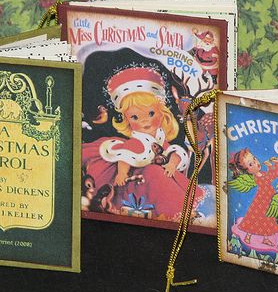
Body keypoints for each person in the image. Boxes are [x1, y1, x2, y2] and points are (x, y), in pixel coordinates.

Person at [82, 67, 205, 221]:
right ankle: (175, 212)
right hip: (138, 183)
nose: (144, 120)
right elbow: (125, 157)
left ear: (162, 113)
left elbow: (173, 152)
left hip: (157, 177)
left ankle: (182, 210)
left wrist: (172, 163)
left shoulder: (160, 138)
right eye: (135, 117)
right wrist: (121, 173)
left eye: (151, 113)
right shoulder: (136, 141)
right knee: (154, 173)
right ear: (127, 120)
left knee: (161, 176)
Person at [230, 148, 278, 246]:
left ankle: (265, 238)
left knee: (267, 218)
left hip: (269, 200)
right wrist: (271, 167)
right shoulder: (257, 177)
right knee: (255, 218)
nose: (256, 162)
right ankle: (248, 236)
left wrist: (275, 164)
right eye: (251, 164)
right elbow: (268, 178)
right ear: (247, 171)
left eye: (254, 159)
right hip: (261, 201)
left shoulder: (263, 173)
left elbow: (274, 175)